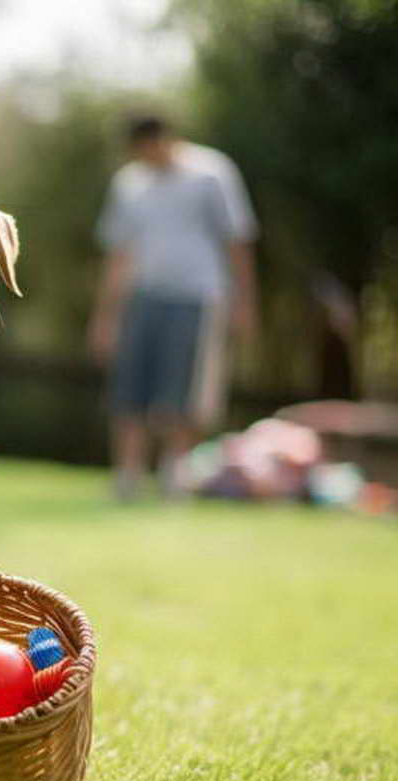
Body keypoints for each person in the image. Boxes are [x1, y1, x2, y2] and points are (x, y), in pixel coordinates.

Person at [89, 113, 260, 499]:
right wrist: (104, 317)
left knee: (183, 393)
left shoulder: (212, 173)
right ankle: (128, 475)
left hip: (197, 296)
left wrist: (245, 302)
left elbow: (238, 241)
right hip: (141, 295)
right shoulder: (130, 182)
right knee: (129, 390)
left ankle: (174, 473)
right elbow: (118, 252)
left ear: (165, 139)